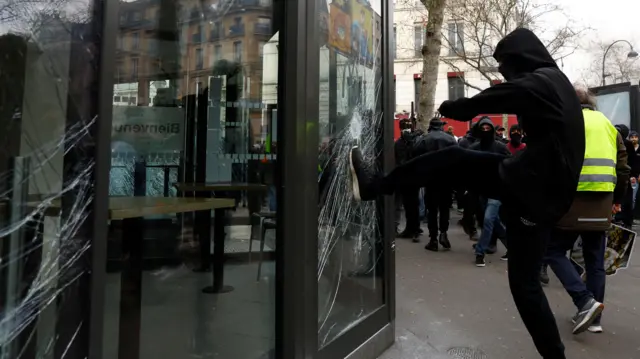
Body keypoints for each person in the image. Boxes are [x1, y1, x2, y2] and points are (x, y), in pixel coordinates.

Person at [348, 28, 583, 359]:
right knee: (525, 285)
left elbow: (509, 93)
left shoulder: (544, 81)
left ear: (520, 58)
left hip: (531, 189)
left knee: (453, 159)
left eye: (504, 64)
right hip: (537, 189)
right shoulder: (555, 85)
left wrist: (461, 107)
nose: (502, 71)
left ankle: (375, 186)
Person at [545, 87, 628, 335]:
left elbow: (551, 162)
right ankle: (595, 320)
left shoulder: (564, 123)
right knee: (595, 262)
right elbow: (622, 168)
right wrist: (617, 200)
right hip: (602, 200)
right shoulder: (607, 125)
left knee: (553, 250)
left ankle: (584, 301)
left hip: (571, 198)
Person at [470, 117, 511, 266]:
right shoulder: (475, 148)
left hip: (497, 191)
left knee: (488, 220)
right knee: (494, 221)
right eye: (483, 128)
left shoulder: (500, 147)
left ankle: (480, 252)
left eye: (488, 128)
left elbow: (511, 165)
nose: (486, 131)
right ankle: (513, 246)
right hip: (482, 191)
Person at [413, 117, 458, 251]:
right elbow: (457, 157)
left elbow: (415, 155)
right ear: (441, 126)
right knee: (444, 208)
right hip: (446, 179)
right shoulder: (450, 139)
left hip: (430, 179)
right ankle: (443, 233)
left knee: (432, 210)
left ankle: (433, 238)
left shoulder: (424, 139)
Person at [395, 119, 421, 240]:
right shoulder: (402, 143)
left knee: (412, 205)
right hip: (408, 177)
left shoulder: (413, 141)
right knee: (410, 204)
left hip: (410, 177)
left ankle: (414, 229)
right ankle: (412, 228)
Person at [614, 124, 637, 227]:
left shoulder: (617, 142)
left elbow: (633, 160)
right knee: (626, 198)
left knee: (624, 198)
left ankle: (620, 218)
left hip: (619, 174)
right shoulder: (627, 144)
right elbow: (633, 161)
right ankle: (625, 220)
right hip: (625, 174)